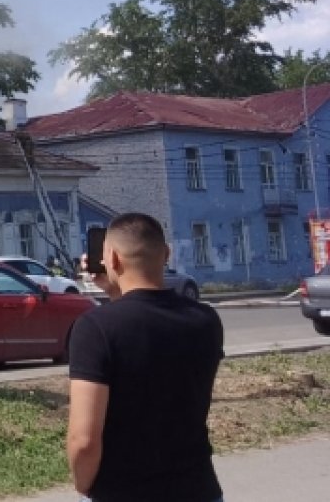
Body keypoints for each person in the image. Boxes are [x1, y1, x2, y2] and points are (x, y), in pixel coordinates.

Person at [67, 212, 224, 502]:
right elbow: (145, 324)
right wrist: (117, 292)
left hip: (121, 492)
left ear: (111, 259)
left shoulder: (95, 328)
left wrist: (84, 486)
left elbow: (84, 441)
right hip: (198, 490)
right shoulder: (206, 320)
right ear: (166, 254)